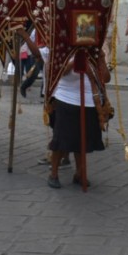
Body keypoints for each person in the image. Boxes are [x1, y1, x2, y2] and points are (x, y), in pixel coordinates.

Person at [44, 45, 110, 188]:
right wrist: (77, 61)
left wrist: (102, 59)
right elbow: (56, 72)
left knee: (82, 141)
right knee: (62, 139)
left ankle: (80, 174)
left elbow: (105, 78)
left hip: (90, 101)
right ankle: (53, 174)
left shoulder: (95, 52)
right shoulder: (63, 48)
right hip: (66, 98)